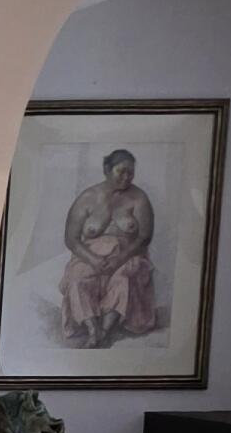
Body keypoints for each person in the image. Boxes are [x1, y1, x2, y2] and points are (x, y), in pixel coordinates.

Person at [59, 147, 161, 345]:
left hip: (128, 255)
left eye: (130, 172)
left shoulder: (139, 198)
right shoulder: (87, 198)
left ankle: (104, 330)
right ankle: (92, 328)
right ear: (107, 169)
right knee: (77, 279)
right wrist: (93, 259)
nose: (126, 177)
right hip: (89, 255)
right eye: (121, 171)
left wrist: (119, 259)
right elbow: (71, 239)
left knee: (124, 278)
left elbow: (144, 238)